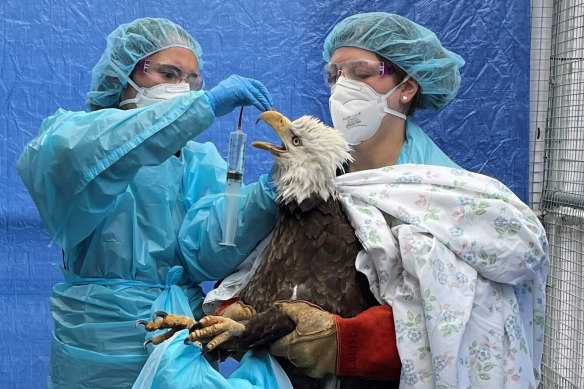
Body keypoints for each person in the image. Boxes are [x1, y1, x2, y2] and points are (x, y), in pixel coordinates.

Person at [263, 12, 548, 389]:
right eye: (335, 75)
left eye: (361, 73)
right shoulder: (310, 174)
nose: (342, 87)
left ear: (407, 88)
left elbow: (469, 308)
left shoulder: (445, 190)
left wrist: (351, 339)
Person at [17, 17, 279, 389]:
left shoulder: (197, 160)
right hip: (97, 342)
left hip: (178, 338)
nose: (182, 89)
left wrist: (265, 193)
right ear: (123, 76)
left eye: (192, 81)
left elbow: (209, 254)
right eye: (168, 73)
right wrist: (202, 106)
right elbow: (112, 147)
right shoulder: (68, 139)